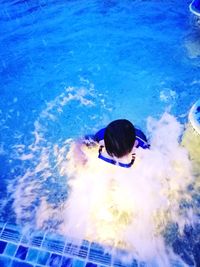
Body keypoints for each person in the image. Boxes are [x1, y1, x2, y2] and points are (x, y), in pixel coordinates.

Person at [84, 119, 149, 168]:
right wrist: (80, 157)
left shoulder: (142, 146)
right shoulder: (101, 137)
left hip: (135, 134)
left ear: (135, 144)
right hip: (112, 133)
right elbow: (82, 140)